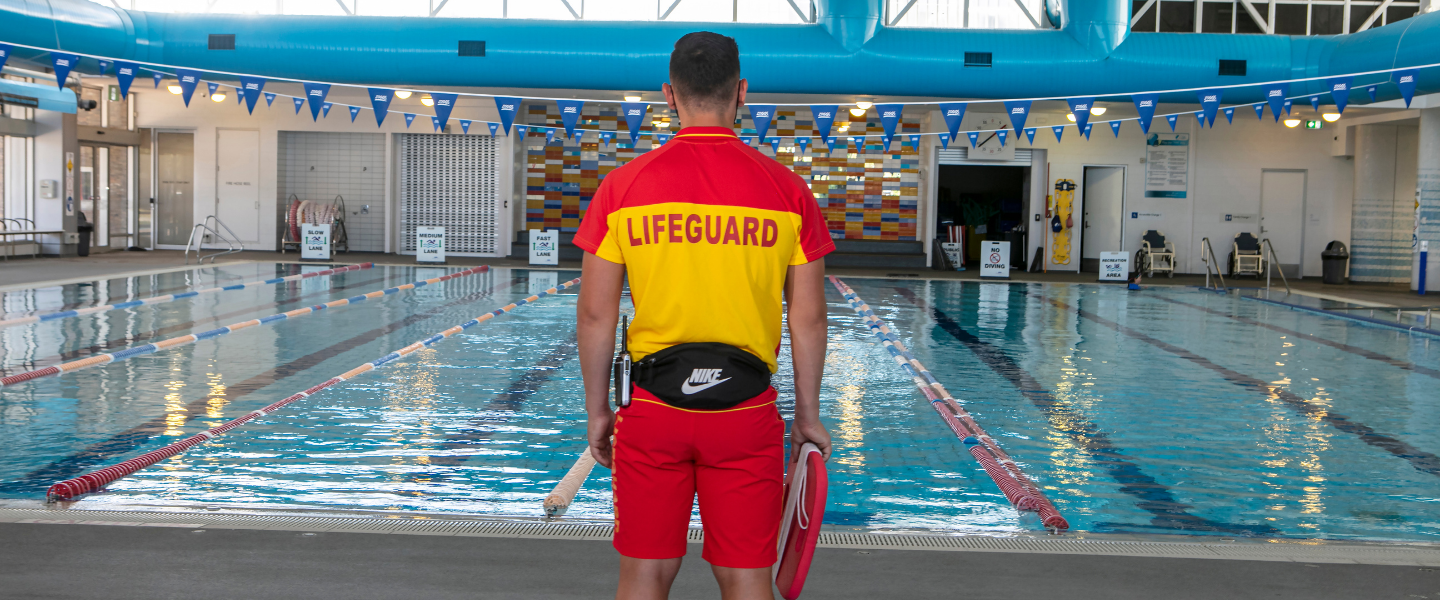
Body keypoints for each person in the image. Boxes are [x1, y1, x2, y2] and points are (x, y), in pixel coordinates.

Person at [574, 31, 834, 600]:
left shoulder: (622, 189)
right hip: (745, 414)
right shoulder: (789, 193)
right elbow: (809, 320)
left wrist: (599, 410)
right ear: (742, 92)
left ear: (668, 94)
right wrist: (808, 417)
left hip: (652, 410)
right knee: (746, 577)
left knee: (646, 572)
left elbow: (595, 317)